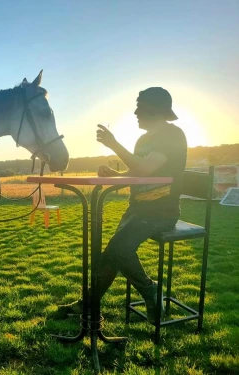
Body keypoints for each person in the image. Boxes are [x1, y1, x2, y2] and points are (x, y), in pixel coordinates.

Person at [57, 87, 187, 323]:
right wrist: (116, 174)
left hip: (162, 211)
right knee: (110, 255)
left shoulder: (173, 135)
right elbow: (139, 169)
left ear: (154, 109)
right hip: (138, 209)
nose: (135, 112)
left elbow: (147, 168)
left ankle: (150, 290)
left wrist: (114, 144)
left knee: (118, 250)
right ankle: (88, 305)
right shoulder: (144, 139)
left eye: (140, 107)